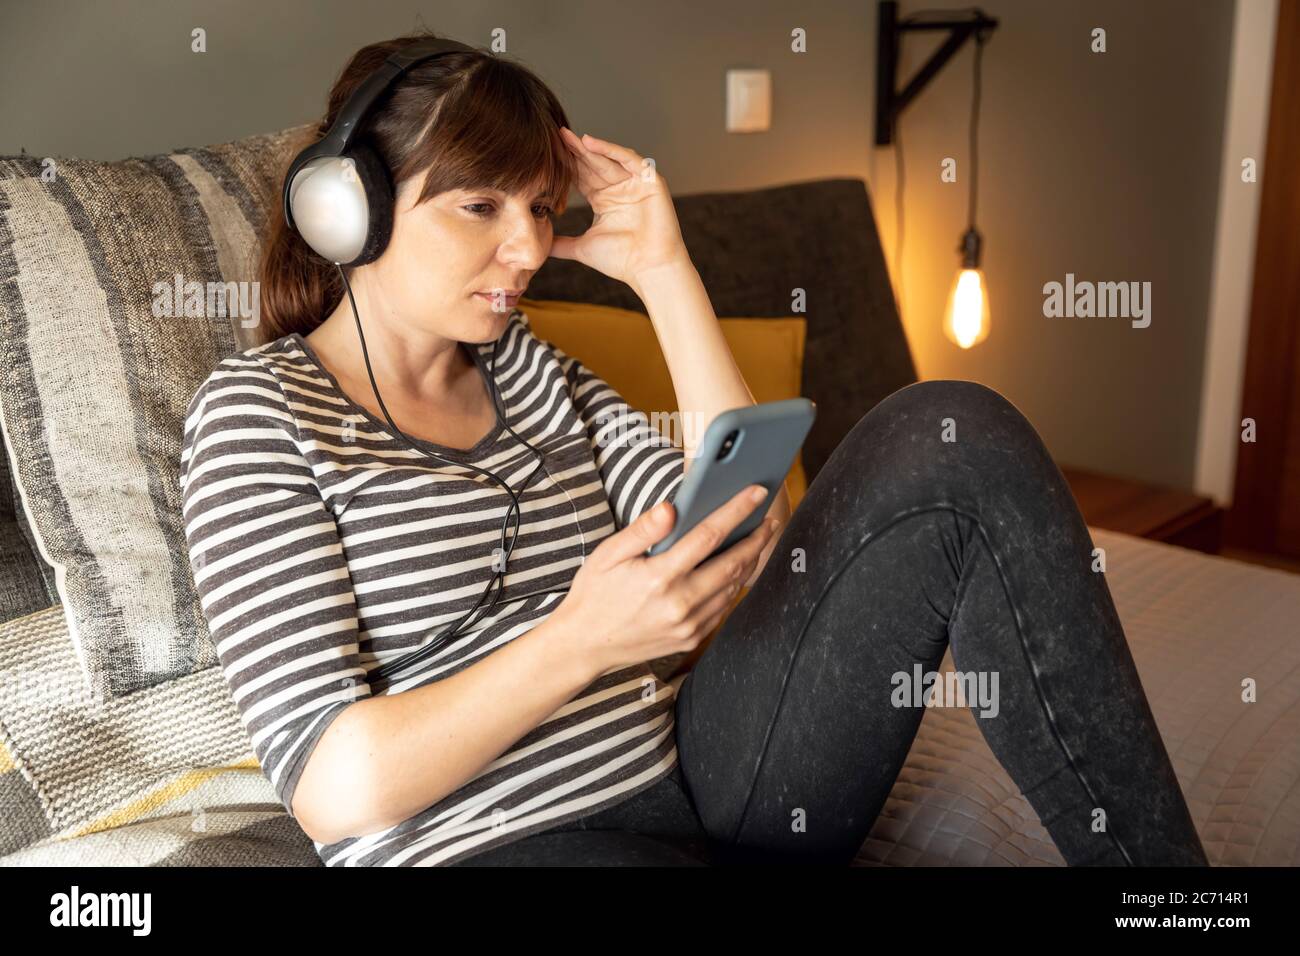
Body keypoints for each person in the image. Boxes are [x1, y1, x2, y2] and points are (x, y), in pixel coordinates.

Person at [178, 32, 1209, 867]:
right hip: (487, 840)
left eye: (542, 206)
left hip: (706, 772)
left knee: (954, 430)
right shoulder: (261, 416)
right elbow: (329, 789)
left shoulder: (528, 370)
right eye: (481, 205)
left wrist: (667, 271)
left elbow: (743, 524)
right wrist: (581, 638)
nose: (531, 246)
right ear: (346, 208)